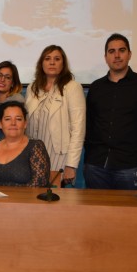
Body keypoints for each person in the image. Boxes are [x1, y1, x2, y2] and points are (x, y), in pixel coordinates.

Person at [83, 34, 137, 189]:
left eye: (121, 50)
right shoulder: (96, 88)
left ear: (129, 54)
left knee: (128, 213)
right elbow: (88, 125)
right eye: (111, 51)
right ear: (105, 57)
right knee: (94, 213)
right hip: (96, 165)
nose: (116, 55)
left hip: (130, 165)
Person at [25, 45, 85, 187]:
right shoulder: (32, 88)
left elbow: (78, 128)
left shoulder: (72, 88)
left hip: (59, 157)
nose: (52, 62)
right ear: (42, 63)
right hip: (33, 156)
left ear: (63, 64)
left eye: (57, 59)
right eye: (47, 59)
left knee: (56, 203)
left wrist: (71, 165)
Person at [0, 101, 50, 187]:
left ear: (25, 123)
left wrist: (10, 197)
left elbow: (39, 183)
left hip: (23, 199)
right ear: (0, 124)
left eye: (18, 119)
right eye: (7, 119)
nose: (13, 123)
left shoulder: (36, 146)